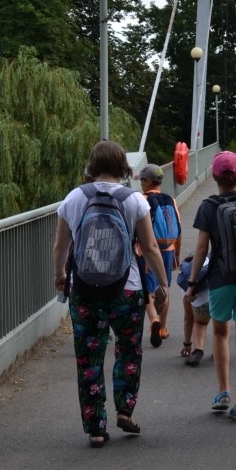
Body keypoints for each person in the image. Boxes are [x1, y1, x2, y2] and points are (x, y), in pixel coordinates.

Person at [53, 140, 168, 447]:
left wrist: (60, 276)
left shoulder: (74, 197)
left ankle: (95, 427)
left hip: (85, 289)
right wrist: (163, 283)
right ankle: (125, 410)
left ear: (91, 166)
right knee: (129, 351)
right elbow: (152, 247)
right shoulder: (134, 200)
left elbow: (61, 246)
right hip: (126, 288)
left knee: (88, 357)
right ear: (123, 168)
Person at [188, 150, 236, 423]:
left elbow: (200, 248)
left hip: (221, 280)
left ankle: (223, 391)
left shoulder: (209, 206)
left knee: (220, 334)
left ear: (214, 175)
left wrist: (192, 283)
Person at [136, 164, 182, 348]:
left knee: (148, 290)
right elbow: (178, 229)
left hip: (147, 250)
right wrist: (177, 254)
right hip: (168, 249)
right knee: (164, 287)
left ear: (147, 182)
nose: (140, 184)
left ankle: (154, 320)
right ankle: (163, 327)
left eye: (141, 181)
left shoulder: (142, 199)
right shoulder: (170, 199)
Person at [177, 253, 211, 367]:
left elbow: (188, 318)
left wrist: (187, 344)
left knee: (200, 322)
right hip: (218, 294)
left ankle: (198, 349)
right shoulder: (211, 262)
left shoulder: (185, 278)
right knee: (221, 324)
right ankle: (219, 350)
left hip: (200, 302)